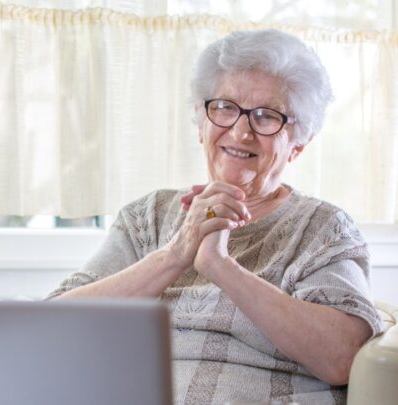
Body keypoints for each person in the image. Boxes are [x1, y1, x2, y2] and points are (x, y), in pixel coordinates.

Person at [47, 29, 382, 405]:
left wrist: (221, 266)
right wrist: (175, 255)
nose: (241, 131)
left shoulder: (323, 229)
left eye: (266, 116)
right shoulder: (149, 217)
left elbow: (342, 358)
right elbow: (52, 328)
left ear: (297, 146)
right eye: (224, 107)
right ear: (201, 123)